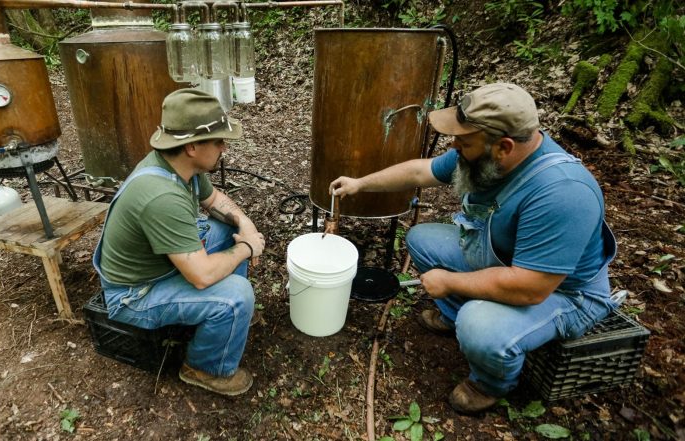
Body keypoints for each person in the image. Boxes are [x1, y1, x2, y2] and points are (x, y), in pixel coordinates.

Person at [329, 83, 617, 413]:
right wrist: (360, 183)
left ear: (503, 147)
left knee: (478, 323)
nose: (454, 146)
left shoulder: (562, 194)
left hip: (564, 294)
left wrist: (450, 282)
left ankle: (490, 382)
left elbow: (530, 288)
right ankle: (453, 318)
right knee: (422, 241)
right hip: (503, 260)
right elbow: (420, 171)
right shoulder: (486, 153)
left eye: (463, 142)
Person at [93, 88, 266, 397]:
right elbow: (201, 276)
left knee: (225, 231)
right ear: (192, 147)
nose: (224, 147)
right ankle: (204, 368)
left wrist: (244, 223)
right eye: (218, 141)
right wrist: (248, 247)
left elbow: (214, 201)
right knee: (237, 295)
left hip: (159, 267)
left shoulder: (181, 165)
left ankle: (221, 324)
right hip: (134, 295)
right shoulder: (161, 196)